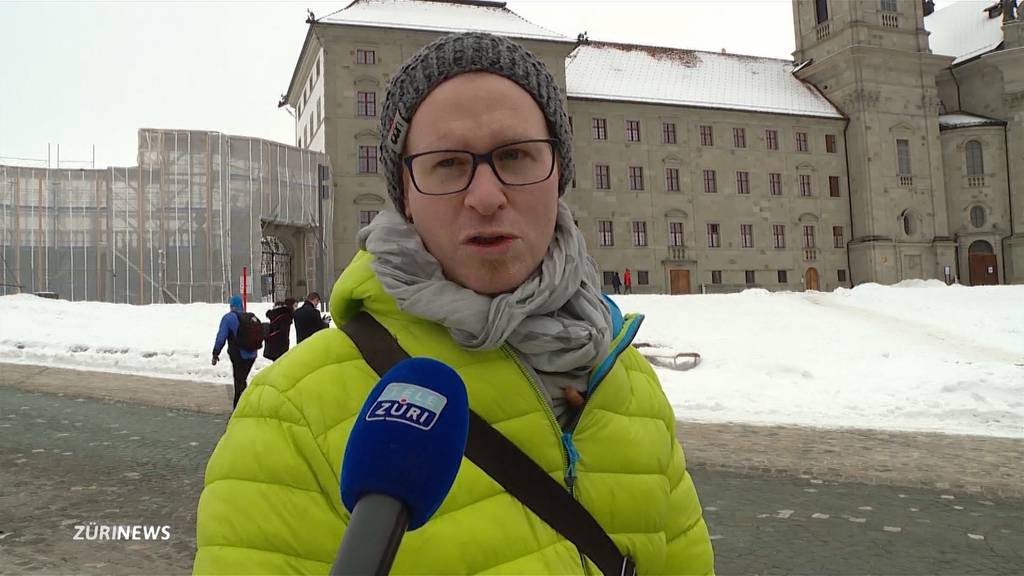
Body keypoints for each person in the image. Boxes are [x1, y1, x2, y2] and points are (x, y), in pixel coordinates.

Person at [194, 32, 713, 575]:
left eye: (515, 156)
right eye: (447, 164)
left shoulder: (629, 385)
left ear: (560, 173)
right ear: (405, 193)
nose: (486, 197)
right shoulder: (288, 418)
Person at [211, 294, 258, 409]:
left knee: (239, 382)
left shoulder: (228, 318)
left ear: (231, 306)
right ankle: (244, 406)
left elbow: (221, 337)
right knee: (242, 380)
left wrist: (215, 353)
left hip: (238, 355)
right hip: (252, 354)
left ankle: (239, 410)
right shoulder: (251, 316)